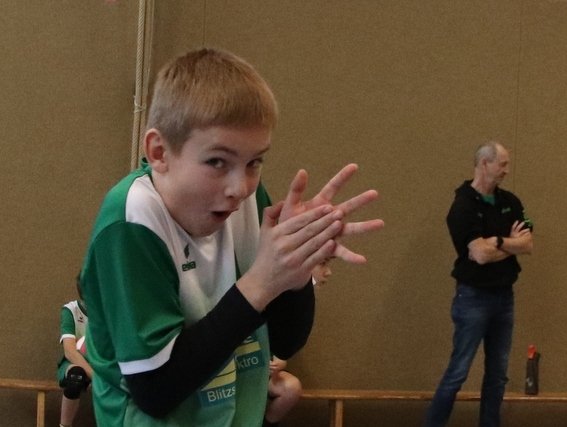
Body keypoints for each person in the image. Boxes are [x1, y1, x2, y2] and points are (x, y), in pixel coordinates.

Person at [80, 47, 384, 426]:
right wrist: (261, 284)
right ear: (159, 152)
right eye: (217, 162)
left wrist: (296, 270)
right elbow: (155, 391)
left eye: (254, 162)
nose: (239, 187)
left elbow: (285, 341)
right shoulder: (132, 219)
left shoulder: (249, 201)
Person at [424, 142, 533, 427]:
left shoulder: (512, 201)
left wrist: (496, 241)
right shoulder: (462, 206)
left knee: (498, 375)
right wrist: (510, 244)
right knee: (458, 372)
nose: (507, 170)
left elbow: (528, 242)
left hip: (504, 297)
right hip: (473, 298)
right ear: (485, 164)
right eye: (502, 164)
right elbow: (479, 255)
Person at [57, 274, 93, 427]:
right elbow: (70, 351)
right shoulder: (71, 310)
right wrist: (95, 376)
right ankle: (65, 425)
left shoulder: (112, 311)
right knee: (75, 376)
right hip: (77, 362)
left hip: (103, 364)